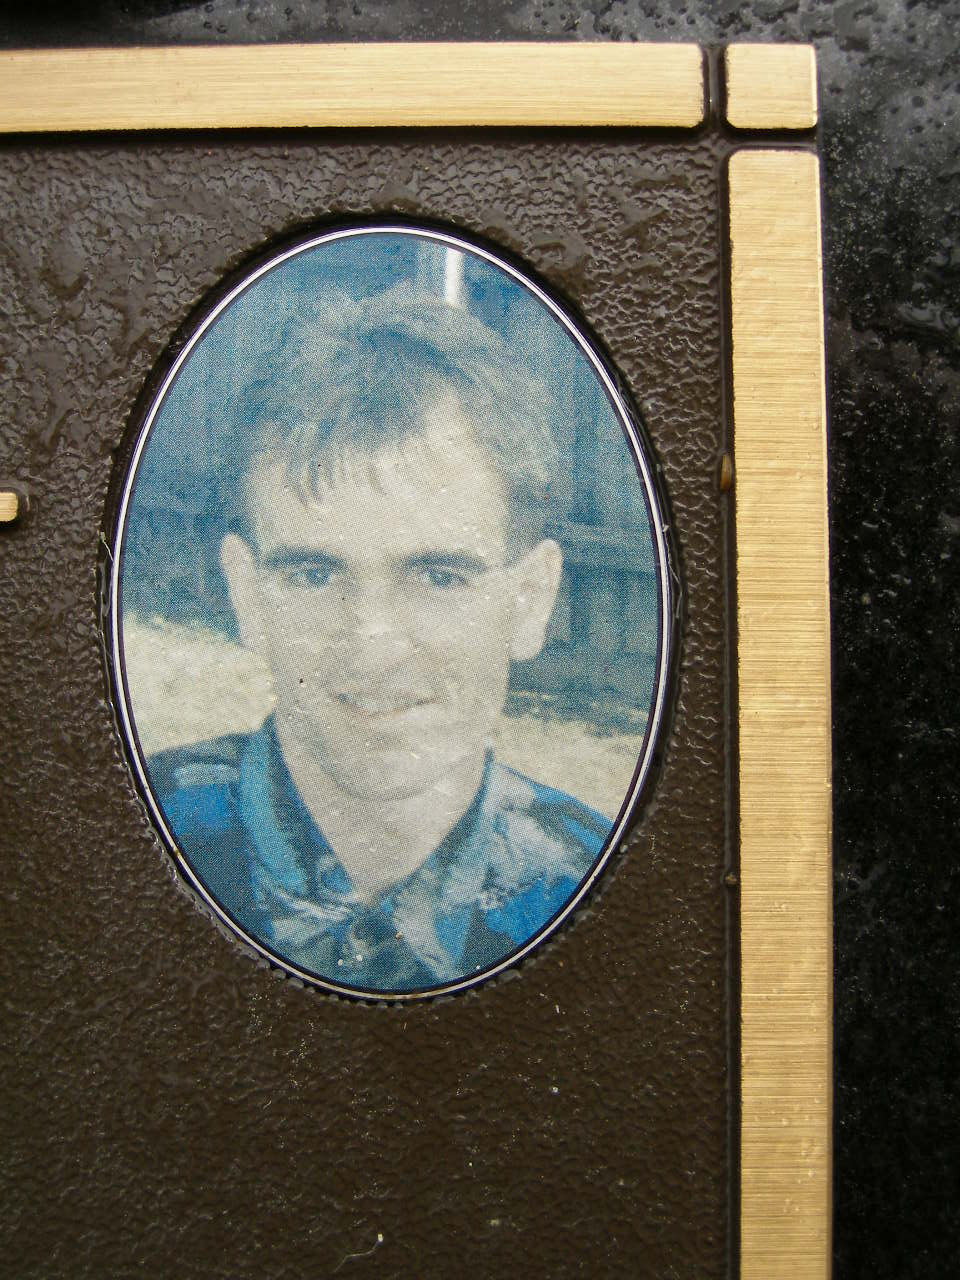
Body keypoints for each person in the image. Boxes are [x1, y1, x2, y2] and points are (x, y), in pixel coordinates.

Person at [149, 287, 611, 992]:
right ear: (247, 595)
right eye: (313, 574)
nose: (373, 646)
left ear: (530, 599)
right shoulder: (128, 840)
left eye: (439, 576)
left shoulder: (597, 887)